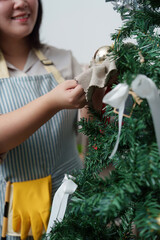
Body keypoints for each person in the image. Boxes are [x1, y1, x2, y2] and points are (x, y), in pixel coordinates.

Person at [0, 0, 91, 239]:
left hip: (74, 200)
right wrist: (51, 102)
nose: (21, 3)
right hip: (12, 215)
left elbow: (87, 132)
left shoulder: (64, 60)